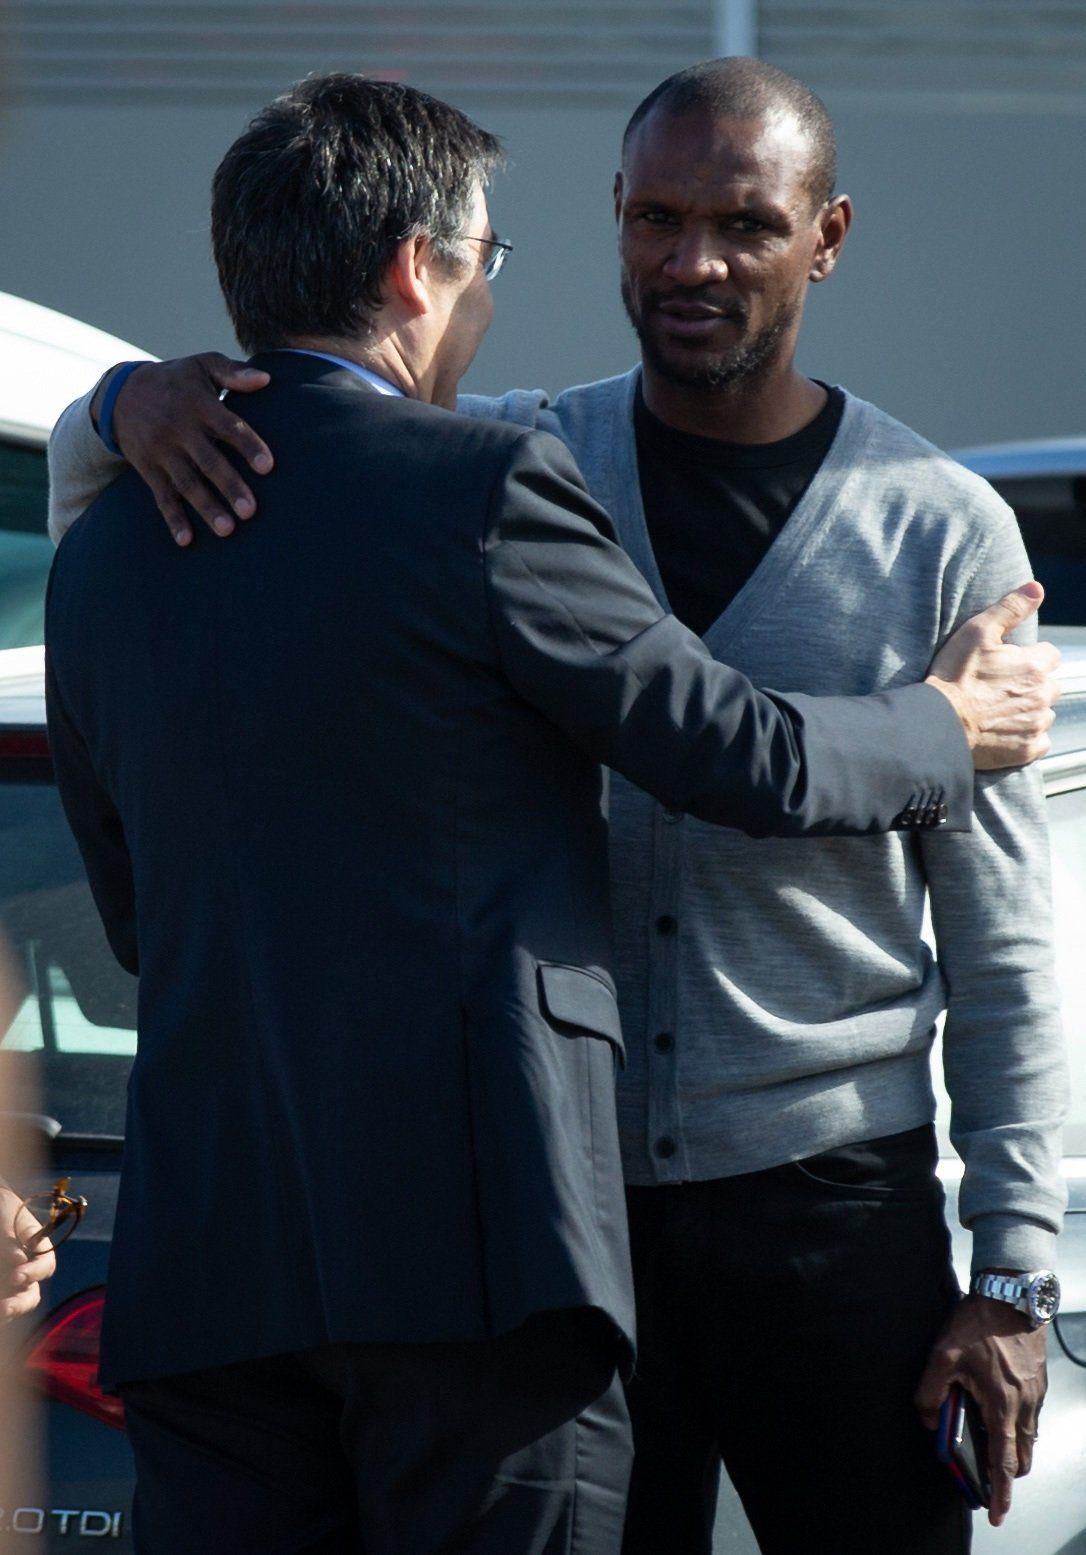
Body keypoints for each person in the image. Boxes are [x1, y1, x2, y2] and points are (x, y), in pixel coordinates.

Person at [47, 67, 1061, 1555]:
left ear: (826, 237)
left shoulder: (934, 522)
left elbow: (1006, 947)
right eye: (655, 217)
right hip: (545, 1218)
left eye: (742, 223)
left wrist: (1013, 1270)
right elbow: (738, 751)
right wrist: (124, 398)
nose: (690, 260)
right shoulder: (509, 460)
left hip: (827, 1217)